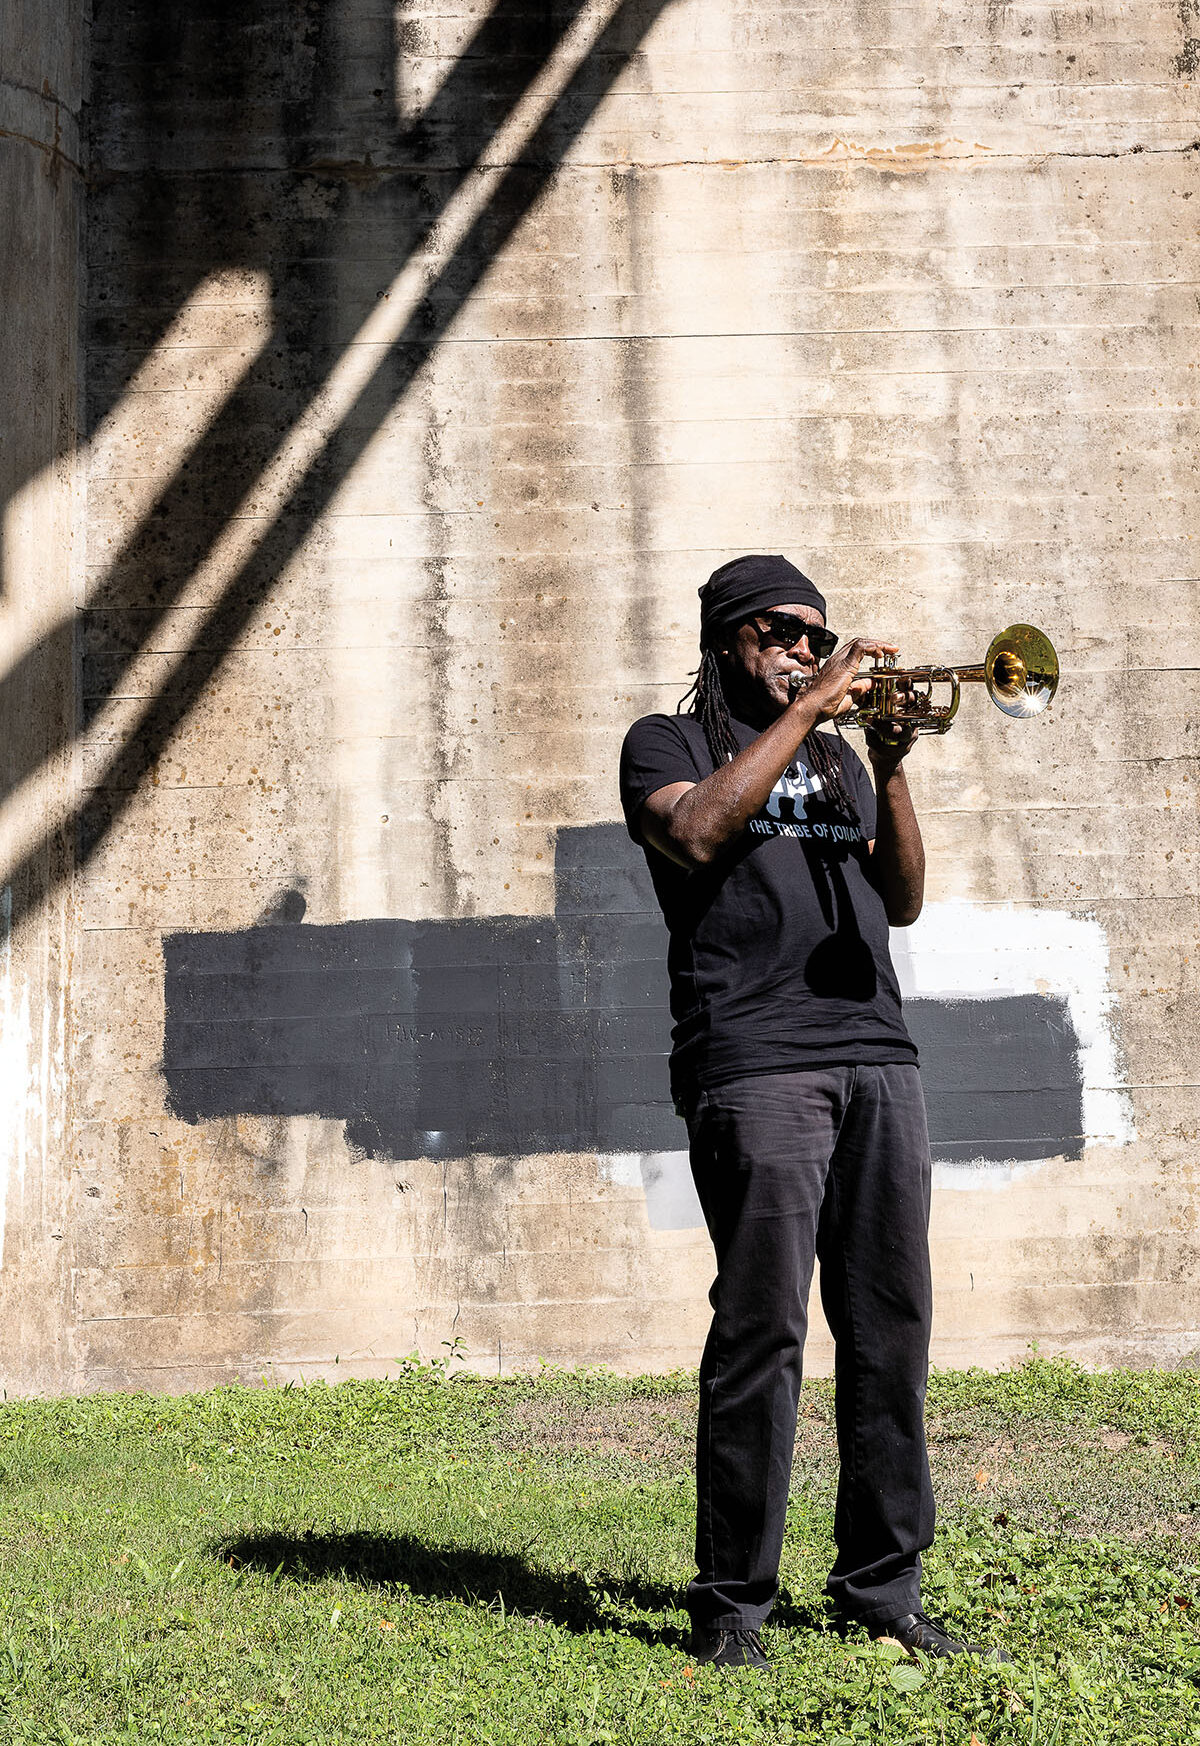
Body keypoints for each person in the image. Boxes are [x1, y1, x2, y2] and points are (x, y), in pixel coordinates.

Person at [618, 553, 1008, 1669]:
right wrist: (817, 709)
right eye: (782, 631)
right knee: (763, 1334)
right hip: (755, 1060)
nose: (803, 647)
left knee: (891, 1332)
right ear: (730, 640)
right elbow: (695, 832)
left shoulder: (839, 758)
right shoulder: (668, 742)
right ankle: (734, 1605)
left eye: (817, 633)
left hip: (878, 1057)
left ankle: (882, 1585)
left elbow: (904, 899)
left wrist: (884, 763)